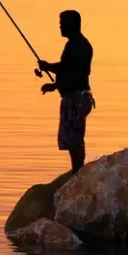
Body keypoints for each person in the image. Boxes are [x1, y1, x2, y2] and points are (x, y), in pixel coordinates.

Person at [37, 10, 94, 173]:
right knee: (72, 140)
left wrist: (55, 84)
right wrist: (49, 69)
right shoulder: (74, 44)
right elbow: (66, 68)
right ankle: (77, 171)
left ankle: (78, 172)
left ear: (74, 24)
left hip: (77, 98)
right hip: (75, 97)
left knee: (75, 140)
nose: (60, 27)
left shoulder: (79, 46)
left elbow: (76, 74)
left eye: (63, 24)